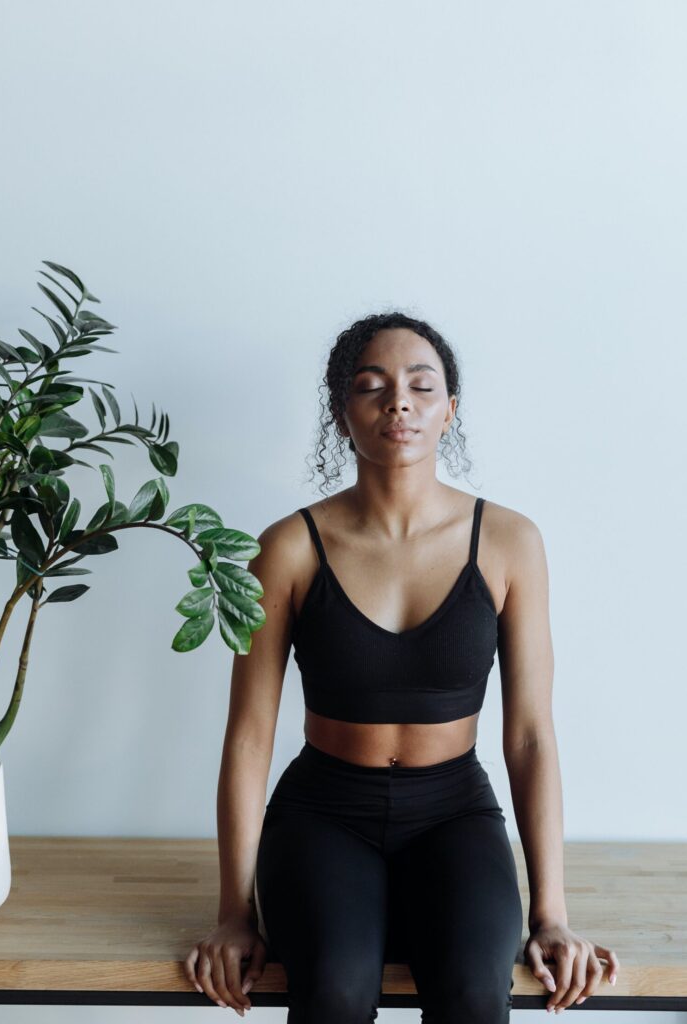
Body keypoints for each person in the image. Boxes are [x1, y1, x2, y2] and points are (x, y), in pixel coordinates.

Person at [184, 313, 620, 1021]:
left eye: (421, 386)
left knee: (477, 995)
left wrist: (552, 914)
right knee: (333, 991)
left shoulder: (509, 541)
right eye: (371, 386)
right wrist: (234, 913)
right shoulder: (287, 548)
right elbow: (248, 737)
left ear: (449, 411)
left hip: (453, 812)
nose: (399, 402)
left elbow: (531, 735)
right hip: (322, 813)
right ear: (341, 413)